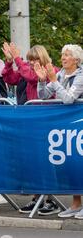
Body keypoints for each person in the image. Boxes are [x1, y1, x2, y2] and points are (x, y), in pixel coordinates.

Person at [2, 43, 61, 214]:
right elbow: (10, 79)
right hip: (30, 122)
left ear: (43, 58)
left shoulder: (52, 70)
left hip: (46, 122)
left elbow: (32, 77)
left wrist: (18, 59)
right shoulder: (26, 68)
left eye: (35, 59)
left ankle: (51, 199)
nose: (31, 63)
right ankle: (37, 197)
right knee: (33, 160)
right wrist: (9, 62)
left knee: (46, 161)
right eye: (29, 60)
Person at [35, 44, 83, 218]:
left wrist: (54, 81)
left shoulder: (80, 76)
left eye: (67, 55)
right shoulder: (61, 74)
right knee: (71, 164)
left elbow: (69, 99)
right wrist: (42, 80)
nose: (63, 58)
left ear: (76, 60)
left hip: (79, 125)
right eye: (62, 54)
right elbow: (43, 96)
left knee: (81, 163)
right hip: (65, 126)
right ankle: (76, 203)